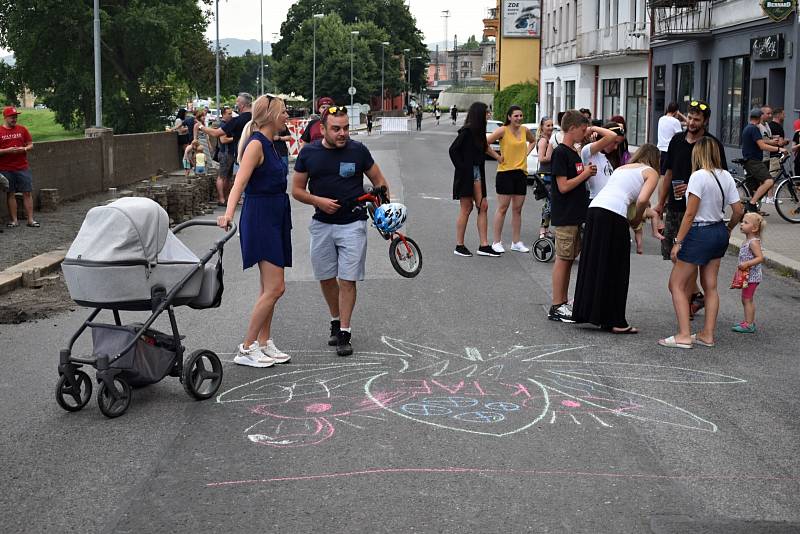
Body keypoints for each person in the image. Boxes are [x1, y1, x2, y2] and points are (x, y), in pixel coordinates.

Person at [291, 106, 389, 357]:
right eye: (336, 128)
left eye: (345, 127)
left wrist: (385, 210)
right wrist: (319, 201)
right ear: (322, 129)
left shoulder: (358, 151)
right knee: (326, 277)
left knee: (347, 279)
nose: (342, 133)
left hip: (353, 224)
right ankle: (335, 320)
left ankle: (345, 331)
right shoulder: (309, 153)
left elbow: (380, 181)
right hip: (322, 224)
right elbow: (298, 190)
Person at [217, 95, 292, 368]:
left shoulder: (270, 144)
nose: (287, 116)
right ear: (270, 114)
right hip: (260, 217)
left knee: (267, 287)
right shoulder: (256, 144)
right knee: (276, 287)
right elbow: (239, 182)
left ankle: (264, 342)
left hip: (275, 215)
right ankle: (246, 347)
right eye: (284, 112)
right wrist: (227, 213)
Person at [659, 137, 744, 349]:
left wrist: (678, 241)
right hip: (718, 231)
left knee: (676, 284)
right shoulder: (726, 176)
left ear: (698, 154)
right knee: (711, 286)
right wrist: (729, 228)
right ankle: (707, 334)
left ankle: (684, 335)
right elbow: (738, 210)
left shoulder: (698, 176)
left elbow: (690, 214)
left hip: (699, 232)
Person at [572, 144, 661, 333]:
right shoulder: (651, 172)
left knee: (594, 262)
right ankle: (616, 321)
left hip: (595, 209)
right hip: (614, 214)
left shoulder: (622, 168)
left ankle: (586, 311)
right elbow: (643, 200)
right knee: (617, 268)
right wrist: (636, 219)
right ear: (655, 159)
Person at [654, 100, 727, 319]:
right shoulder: (676, 140)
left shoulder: (711, 144)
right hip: (676, 207)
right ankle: (694, 295)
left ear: (705, 121)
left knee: (689, 255)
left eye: (697, 119)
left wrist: (694, 190)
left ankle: (689, 301)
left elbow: (719, 177)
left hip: (699, 211)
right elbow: (667, 173)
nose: (692, 123)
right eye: (690, 118)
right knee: (675, 256)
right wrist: (660, 203)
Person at [548, 110, 596, 322]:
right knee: (563, 259)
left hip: (576, 214)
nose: (585, 134)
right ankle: (557, 305)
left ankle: (563, 302)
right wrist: (585, 174)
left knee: (568, 259)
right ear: (572, 128)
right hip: (565, 215)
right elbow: (563, 186)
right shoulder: (560, 153)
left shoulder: (574, 152)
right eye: (583, 129)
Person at [448, 101, 502, 258]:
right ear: (479, 114)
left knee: (483, 206)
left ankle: (484, 245)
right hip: (467, 174)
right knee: (467, 208)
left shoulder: (478, 131)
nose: (489, 115)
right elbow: (453, 150)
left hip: (477, 173)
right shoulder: (467, 131)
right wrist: (463, 168)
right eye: (486, 113)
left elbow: (485, 147)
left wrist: (498, 157)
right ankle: (459, 245)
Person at [486, 105, 537, 254]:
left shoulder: (525, 130)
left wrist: (525, 154)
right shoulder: (503, 130)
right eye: (516, 116)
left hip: (521, 173)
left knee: (517, 210)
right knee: (502, 208)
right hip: (505, 172)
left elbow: (533, 141)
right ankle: (496, 241)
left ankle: (516, 242)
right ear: (509, 117)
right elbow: (485, 143)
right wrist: (497, 156)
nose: (519, 118)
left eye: (521, 116)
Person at [740, 107, 787, 212]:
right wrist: (779, 148)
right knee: (769, 181)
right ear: (760, 117)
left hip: (752, 160)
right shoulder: (754, 129)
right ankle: (752, 204)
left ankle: (750, 208)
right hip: (754, 161)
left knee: (756, 187)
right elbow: (762, 145)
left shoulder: (748, 127)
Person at [1, 106, 38, 228]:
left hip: (22, 166)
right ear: (5, 117)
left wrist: (24, 148)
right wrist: (7, 151)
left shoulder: (22, 129)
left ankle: (30, 220)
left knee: (27, 192)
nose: (14, 119)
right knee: (10, 193)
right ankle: (14, 220)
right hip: (6, 167)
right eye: (12, 117)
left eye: (16, 116)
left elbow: (31, 144)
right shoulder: (0, 131)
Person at [201, 93, 255, 176]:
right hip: (256, 156)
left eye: (237, 102)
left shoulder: (237, 120)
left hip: (242, 157)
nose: (236, 104)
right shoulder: (257, 119)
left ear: (242, 105)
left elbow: (216, 133)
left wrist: (200, 126)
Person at [732, 212, 765, 334]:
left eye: (746, 223)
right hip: (747, 275)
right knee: (745, 298)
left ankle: (749, 324)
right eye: (742, 221)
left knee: (747, 299)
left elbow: (760, 258)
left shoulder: (753, 242)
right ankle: (747, 321)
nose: (742, 224)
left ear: (754, 228)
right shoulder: (748, 240)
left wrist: (747, 264)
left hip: (752, 276)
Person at [579, 123, 624, 200]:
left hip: (608, 202)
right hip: (596, 202)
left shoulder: (608, 158)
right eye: (615, 142)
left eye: (618, 144)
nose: (616, 147)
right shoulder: (588, 152)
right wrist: (592, 128)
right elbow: (612, 135)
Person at [536, 116, 554, 239]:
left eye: (552, 125)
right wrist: (552, 153)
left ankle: (546, 229)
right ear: (542, 127)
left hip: (551, 175)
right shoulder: (543, 141)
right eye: (548, 125)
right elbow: (542, 158)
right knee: (548, 204)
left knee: (550, 203)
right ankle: (543, 230)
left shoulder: (549, 139)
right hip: (545, 175)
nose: (551, 128)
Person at [765, 107, 789, 203]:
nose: (785, 116)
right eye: (783, 114)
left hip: (767, 154)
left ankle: (765, 196)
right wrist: (786, 142)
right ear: (778, 115)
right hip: (774, 155)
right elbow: (779, 143)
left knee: (767, 175)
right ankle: (770, 197)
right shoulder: (778, 127)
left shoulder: (769, 126)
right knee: (772, 176)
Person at [214, 106, 236, 205]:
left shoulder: (228, 124)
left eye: (231, 113)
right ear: (223, 114)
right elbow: (223, 140)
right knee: (222, 176)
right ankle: (221, 198)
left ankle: (226, 198)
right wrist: (235, 138)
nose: (231, 116)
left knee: (228, 177)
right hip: (225, 153)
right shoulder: (222, 125)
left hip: (230, 153)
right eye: (229, 114)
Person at [657, 102, 686, 175]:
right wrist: (680, 114)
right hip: (670, 150)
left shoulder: (661, 119)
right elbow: (680, 136)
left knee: (662, 173)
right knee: (669, 173)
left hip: (661, 149)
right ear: (676, 111)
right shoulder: (675, 122)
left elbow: (679, 123)